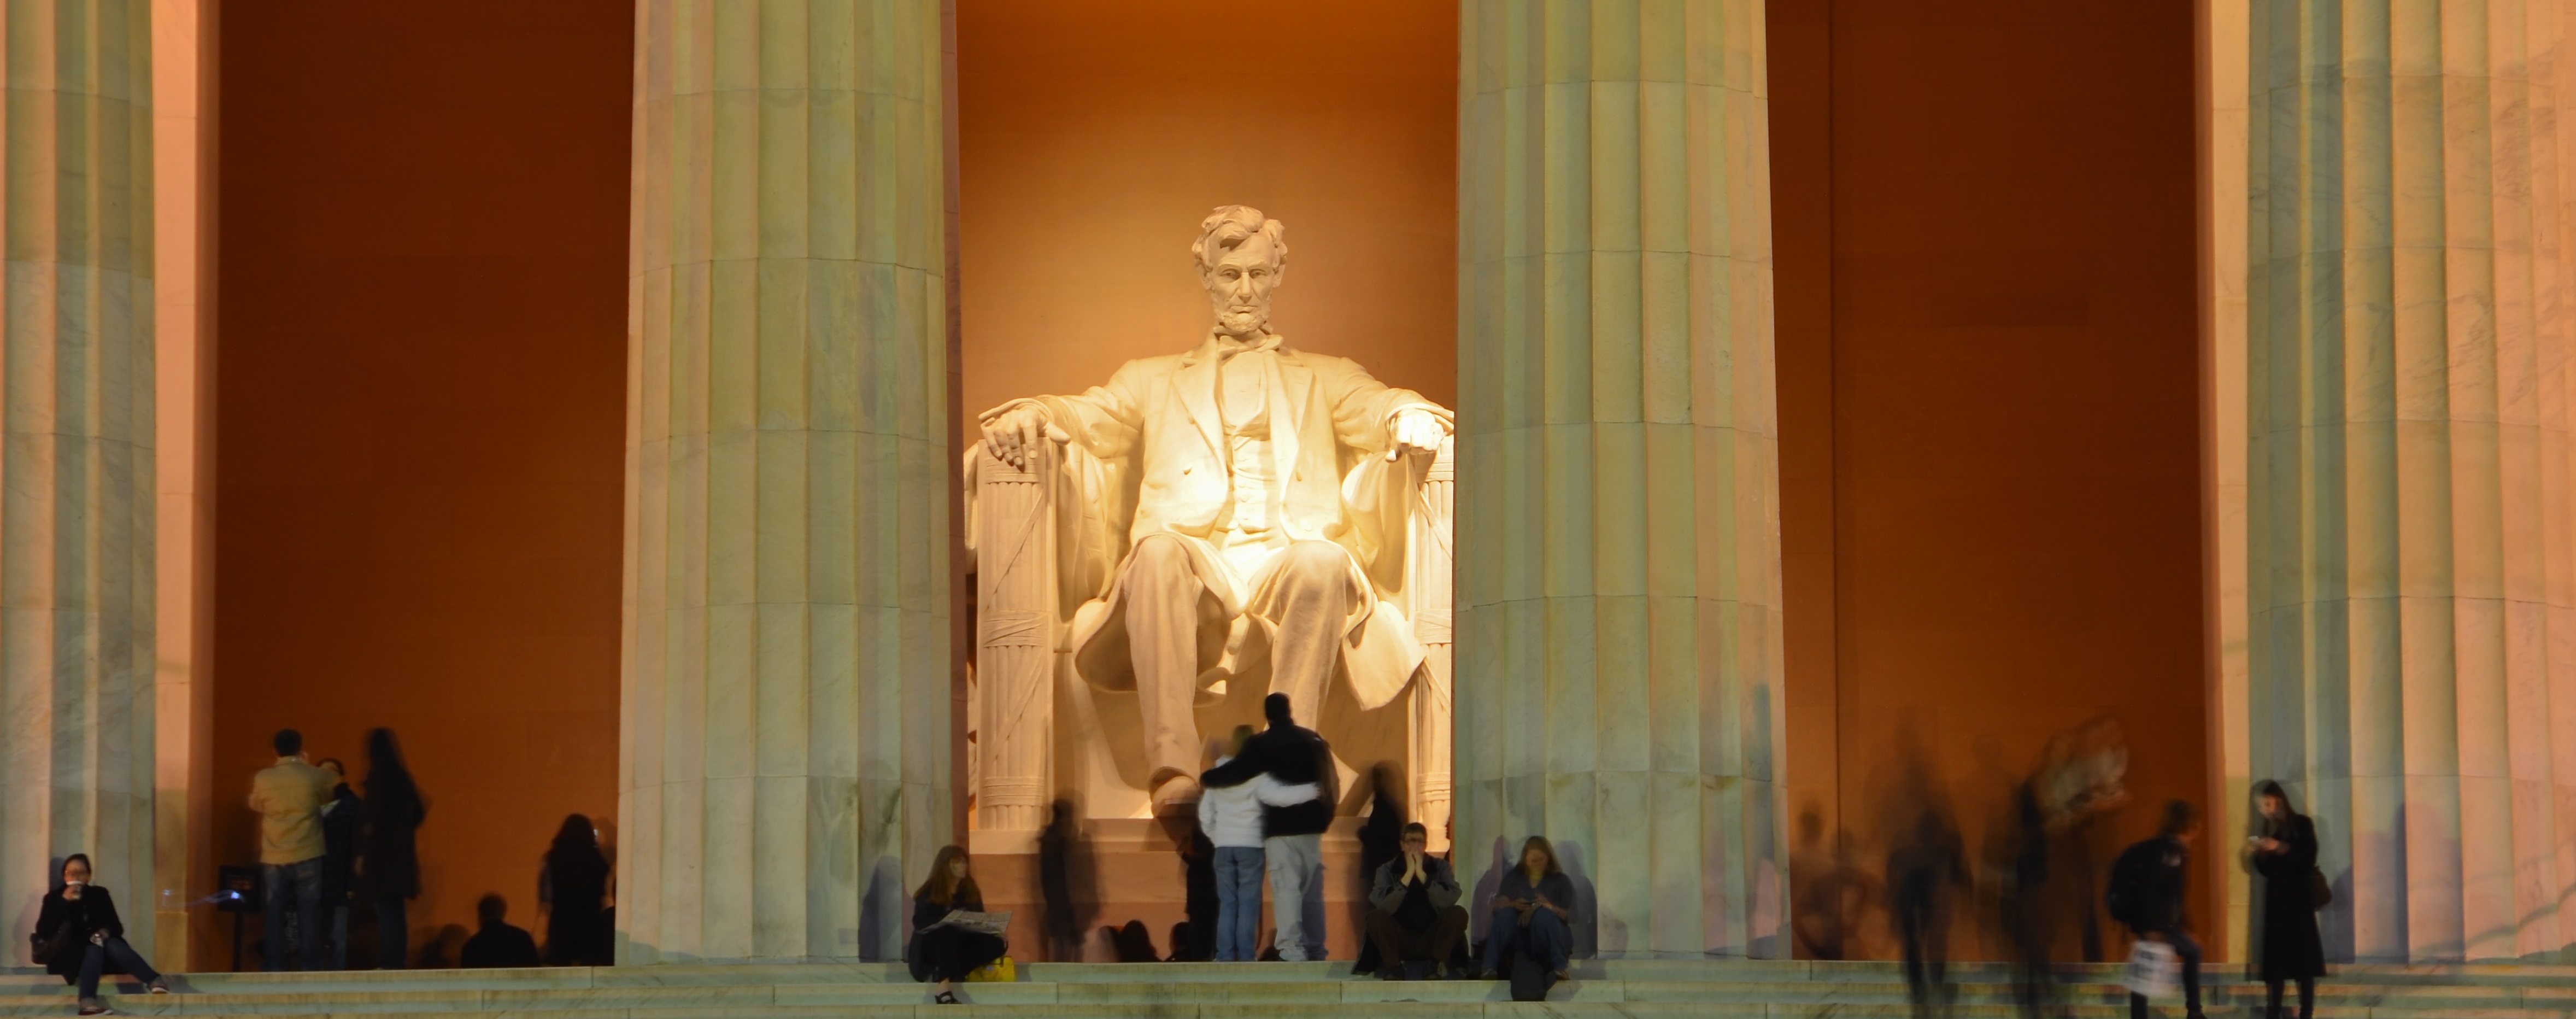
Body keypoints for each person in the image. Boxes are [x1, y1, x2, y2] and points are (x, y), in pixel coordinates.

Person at [976, 204, 1453, 818]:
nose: (1245, 289)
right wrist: (1037, 412)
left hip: (1285, 553)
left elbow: (1377, 405)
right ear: (1206, 277)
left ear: (1278, 275)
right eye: (1230, 275)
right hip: (1199, 557)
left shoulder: (1327, 376)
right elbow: (1091, 415)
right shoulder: (1149, 378)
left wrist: (1408, 413)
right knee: (1156, 553)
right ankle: (1172, 769)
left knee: (1322, 560)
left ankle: (1289, 760)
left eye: (1258, 273)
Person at [1201, 693, 1337, 961]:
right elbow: (1332, 782)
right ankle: (1316, 949)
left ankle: (1291, 948)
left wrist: (1209, 777)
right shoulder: (1313, 740)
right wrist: (1324, 818)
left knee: (1286, 888)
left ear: (1267, 715)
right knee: (1312, 891)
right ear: (1289, 710)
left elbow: (1238, 772)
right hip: (1312, 830)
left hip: (1279, 831)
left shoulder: (1261, 744)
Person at [33, 854, 171, 1015]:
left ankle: (154, 981)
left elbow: (116, 926)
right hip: (70, 957)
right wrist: (64, 901)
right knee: (93, 948)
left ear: (88, 876)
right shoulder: (54, 898)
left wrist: (105, 932)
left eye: (81, 873)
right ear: (64, 876)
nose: (76, 877)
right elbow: (44, 931)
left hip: (102, 954)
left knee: (108, 943)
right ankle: (87, 1002)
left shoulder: (99, 894)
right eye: (71, 873)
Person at [247, 728, 335, 971]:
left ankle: (275, 965)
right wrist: (305, 765)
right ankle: (309, 967)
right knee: (309, 914)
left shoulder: (264, 778)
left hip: (274, 856)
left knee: (275, 913)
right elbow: (329, 795)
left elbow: (255, 804)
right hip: (308, 853)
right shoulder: (313, 775)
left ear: (274, 751)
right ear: (300, 749)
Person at [2110, 800, 2204, 1019]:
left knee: (2144, 968)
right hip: (2157, 924)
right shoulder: (2171, 852)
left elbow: (2174, 898)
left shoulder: (2168, 849)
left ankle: (2144, 1014)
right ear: (2190, 825)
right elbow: (2152, 888)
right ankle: (2194, 1010)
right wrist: (2152, 928)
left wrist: (2187, 927)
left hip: (2156, 923)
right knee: (2191, 952)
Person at [2245, 781, 2325, 1019]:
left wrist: (2280, 847)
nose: (2264, 810)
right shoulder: (2268, 828)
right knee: (2276, 960)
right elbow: (2265, 870)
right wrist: (2260, 853)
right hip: (2277, 901)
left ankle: (2306, 1011)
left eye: (2267, 804)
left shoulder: (2301, 824)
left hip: (2298, 900)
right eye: (2260, 807)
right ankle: (2274, 1009)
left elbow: (2308, 857)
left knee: (2304, 961)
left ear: (2279, 800)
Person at [356, 728, 428, 970]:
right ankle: (397, 960)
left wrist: (363, 854)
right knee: (396, 911)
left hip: (382, 858)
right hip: (402, 857)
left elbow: (371, 819)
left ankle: (391, 962)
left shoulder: (378, 776)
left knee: (386, 911)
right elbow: (420, 809)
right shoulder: (402, 776)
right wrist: (405, 830)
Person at [1196, 726, 1268, 962]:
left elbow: (1205, 813)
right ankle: (1246, 957)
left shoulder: (1219, 774)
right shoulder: (1259, 775)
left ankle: (1224, 956)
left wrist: (1217, 837)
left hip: (1224, 847)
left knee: (1228, 903)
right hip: (1251, 845)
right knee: (1248, 904)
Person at [1365, 822, 1469, 980]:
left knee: (1458, 913)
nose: (1415, 846)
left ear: (1425, 844)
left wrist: (1423, 876)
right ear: (1402, 845)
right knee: (1375, 917)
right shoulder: (1386, 870)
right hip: (1400, 938)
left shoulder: (1440, 867)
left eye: (1419, 841)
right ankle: (1394, 967)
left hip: (1432, 938)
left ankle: (1434, 965)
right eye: (1410, 841)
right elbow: (1383, 905)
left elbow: (1449, 900)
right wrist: (1407, 877)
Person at [908, 845, 1007, 1005]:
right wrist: (946, 920)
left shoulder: (970, 892)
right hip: (933, 945)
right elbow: (920, 922)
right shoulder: (930, 892)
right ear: (946, 865)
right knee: (948, 932)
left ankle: (948, 971)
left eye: (965, 862)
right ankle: (943, 988)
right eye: (959, 862)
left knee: (996, 944)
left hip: (961, 943)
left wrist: (992, 929)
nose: (964, 866)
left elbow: (979, 919)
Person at [1483, 836, 1575, 982]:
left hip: (1548, 936)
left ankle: (1560, 967)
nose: (1537, 864)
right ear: (1525, 860)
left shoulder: (1560, 880)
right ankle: (1489, 967)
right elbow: (1498, 906)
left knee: (1543, 916)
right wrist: (1513, 905)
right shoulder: (1514, 878)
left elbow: (1570, 915)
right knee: (1505, 914)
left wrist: (1544, 907)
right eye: (1533, 860)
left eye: (1541, 860)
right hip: (1521, 936)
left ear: (1548, 859)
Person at [539, 814, 612, 967]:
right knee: (589, 968)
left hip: (561, 921)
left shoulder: (552, 858)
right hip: (590, 921)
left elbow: (546, 896)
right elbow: (603, 892)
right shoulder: (597, 860)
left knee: (561, 967)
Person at [316, 758, 362, 969]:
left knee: (337, 933)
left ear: (341, 777)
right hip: (313, 877)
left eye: (332, 772)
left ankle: (335, 976)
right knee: (310, 933)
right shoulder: (309, 805)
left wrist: (352, 884)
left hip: (340, 878)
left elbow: (357, 847)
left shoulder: (353, 807)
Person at [458, 894, 542, 969]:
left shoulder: (472, 946)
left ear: (481, 915)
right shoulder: (523, 938)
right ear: (503, 913)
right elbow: (537, 971)